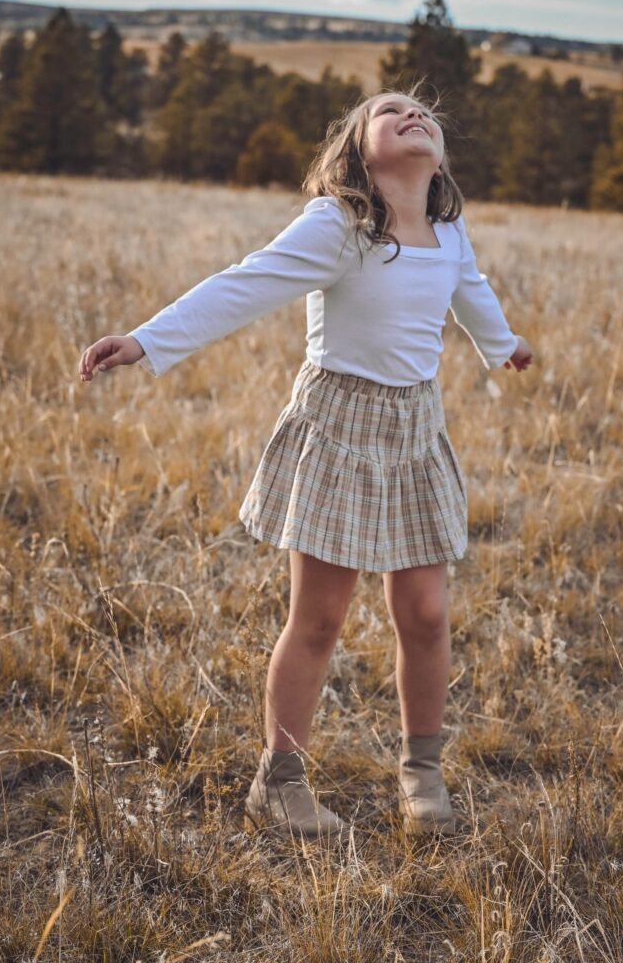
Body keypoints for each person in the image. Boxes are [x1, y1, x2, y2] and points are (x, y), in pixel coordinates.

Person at [78, 82, 534, 843]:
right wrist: (147, 340)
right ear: (358, 150)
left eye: (421, 111)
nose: (411, 114)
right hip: (339, 426)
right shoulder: (339, 224)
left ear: (439, 154)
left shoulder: (449, 230)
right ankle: (279, 783)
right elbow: (245, 284)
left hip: (416, 429)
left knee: (425, 614)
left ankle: (421, 771)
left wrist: (502, 345)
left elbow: (471, 292)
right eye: (388, 111)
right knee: (319, 618)